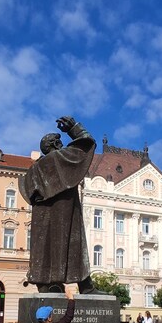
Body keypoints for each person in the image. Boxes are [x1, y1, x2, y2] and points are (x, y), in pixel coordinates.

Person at [19, 116, 100, 294]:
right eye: (60, 142)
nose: (62, 146)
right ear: (56, 145)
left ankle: (46, 285)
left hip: (43, 217)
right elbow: (86, 145)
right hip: (66, 210)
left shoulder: (34, 169)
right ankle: (85, 286)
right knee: (74, 243)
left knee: (44, 246)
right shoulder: (61, 158)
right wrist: (74, 129)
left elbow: (27, 191)